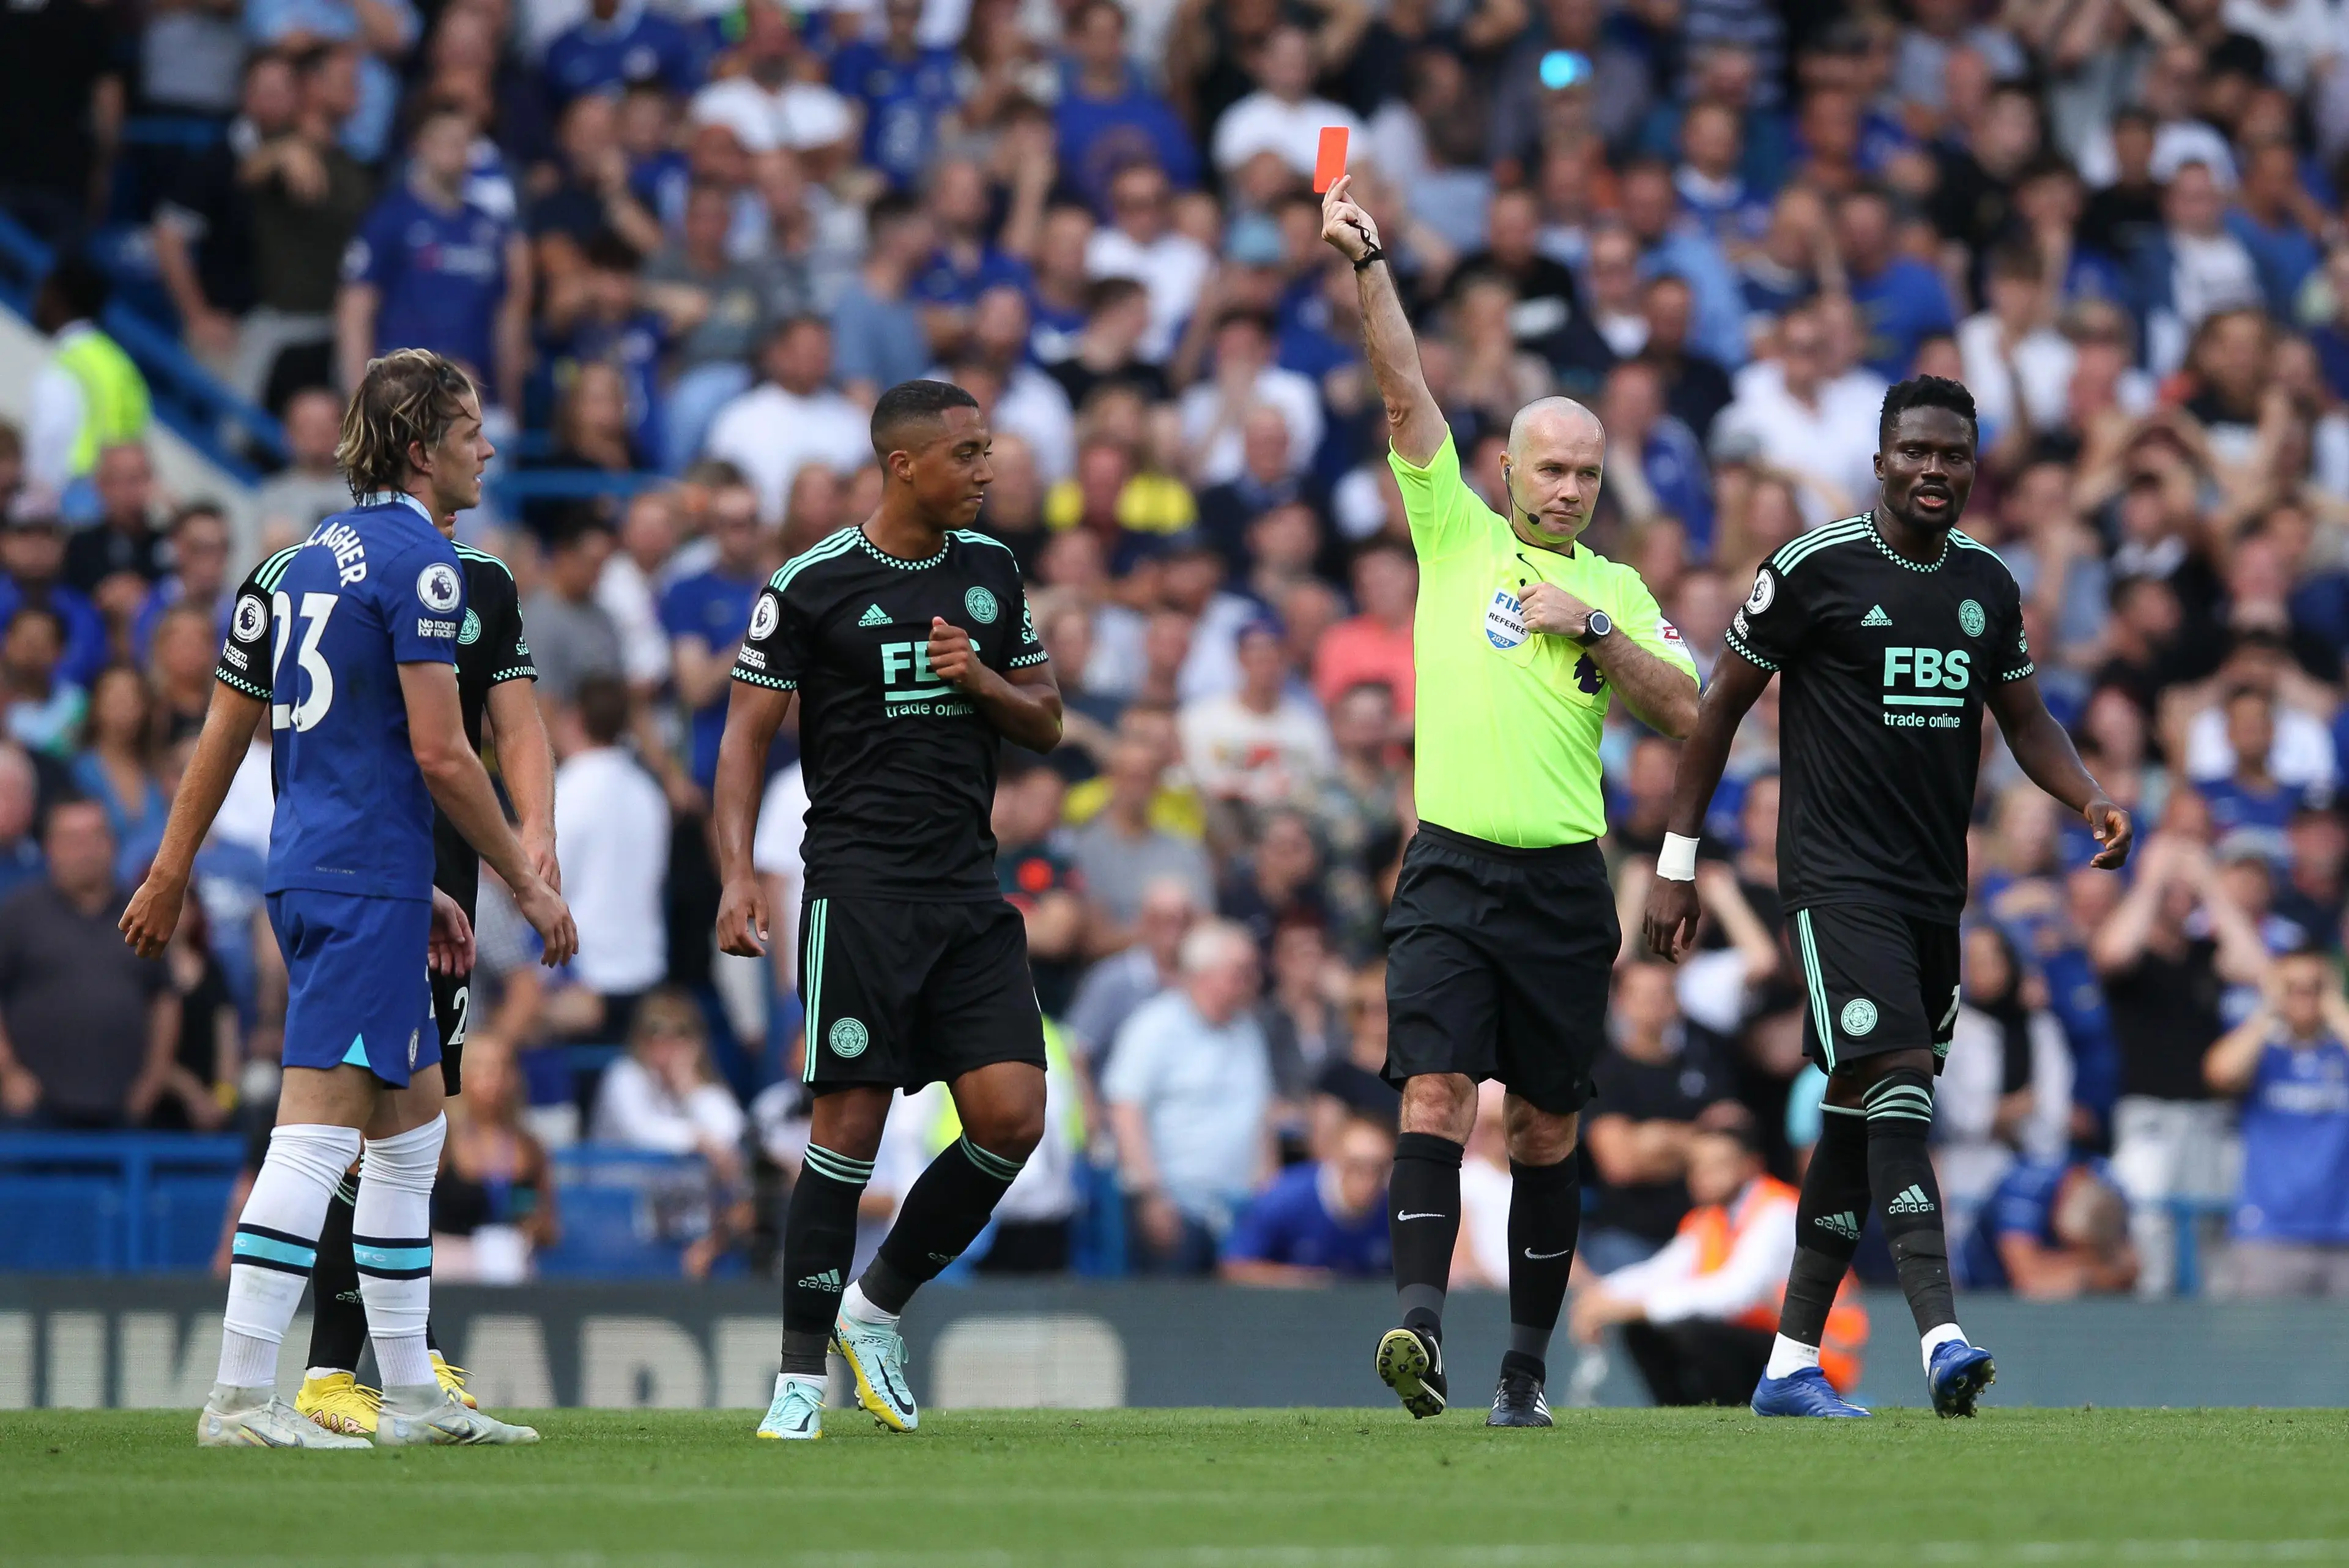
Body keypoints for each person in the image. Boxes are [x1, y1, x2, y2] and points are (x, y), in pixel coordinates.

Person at [1644, 373, 2133, 1419]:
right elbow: (1719, 706)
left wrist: (2089, 795)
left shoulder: (1989, 585)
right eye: (1915, 450)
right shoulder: (1814, 568)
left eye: (1953, 455)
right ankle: (1943, 1333)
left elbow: (2027, 717)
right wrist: (1678, 860)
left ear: (1971, 467)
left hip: (1931, 896)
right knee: (1903, 1080)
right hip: (1832, 884)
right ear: (1880, 459)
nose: (1933, 469)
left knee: (1860, 1122)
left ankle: (1787, 1364)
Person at [120, 349, 574, 1449]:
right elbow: (442, 750)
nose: (490, 450)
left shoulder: (292, 563)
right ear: (424, 448)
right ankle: (239, 1395)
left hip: (346, 865)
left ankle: (410, 1390)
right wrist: (524, 878)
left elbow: (270, 738)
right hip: (360, 874)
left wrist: (176, 869)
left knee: (412, 1129)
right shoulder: (426, 564)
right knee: (317, 1135)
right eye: (472, 433)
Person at [1319, 174, 1701, 1428]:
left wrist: (1590, 622)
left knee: (1542, 1127)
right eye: (1550, 467)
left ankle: (1523, 1376)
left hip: (1562, 882)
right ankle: (1420, 1330)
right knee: (1434, 1094)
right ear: (1507, 468)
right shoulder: (1457, 533)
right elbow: (1403, 388)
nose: (1568, 488)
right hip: (1450, 866)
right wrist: (1368, 265)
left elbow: (1689, 710)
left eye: (1587, 472)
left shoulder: (1622, 591)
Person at [711, 378, 1061, 1442]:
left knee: (1013, 1117)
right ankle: (797, 1375)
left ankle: (875, 1309)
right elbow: (740, 743)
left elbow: (1045, 719)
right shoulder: (812, 584)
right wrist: (736, 873)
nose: (988, 468)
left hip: (967, 891)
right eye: (966, 453)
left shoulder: (994, 573)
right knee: (847, 1130)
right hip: (858, 893)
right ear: (902, 464)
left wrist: (981, 684)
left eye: (989, 448)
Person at [1572, 1104, 1868, 1408]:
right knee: (1643, 1330)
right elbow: (1660, 1272)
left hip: (1816, 1359)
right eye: (1697, 1167)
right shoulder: (1711, 1218)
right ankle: (1681, 1415)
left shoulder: (1777, 1211)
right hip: (1766, 1345)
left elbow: (1737, 1293)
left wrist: (1635, 1307)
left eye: (1718, 1165)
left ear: (1750, 1165)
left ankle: (1735, 1411)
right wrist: (1599, 1298)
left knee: (1692, 1330)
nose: (1704, 1177)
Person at [1103, 920, 1275, 1273]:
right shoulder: (1154, 1026)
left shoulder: (1248, 1030)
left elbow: (1261, 1114)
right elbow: (1125, 1110)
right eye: (1242, 972)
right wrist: (1150, 1195)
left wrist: (1267, 1192)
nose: (1254, 981)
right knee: (1173, 1322)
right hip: (1174, 1210)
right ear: (1205, 974)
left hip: (1240, 1211)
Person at [0, 800, 180, 1129]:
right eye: (72, 839)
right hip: (33, 1110)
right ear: (49, 848)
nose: (86, 851)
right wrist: (7, 1073)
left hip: (125, 1109)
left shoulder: (141, 914)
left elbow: (165, 999)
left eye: (95, 836)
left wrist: (152, 1081)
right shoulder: (17, 916)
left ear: (113, 844)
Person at [2204, 948, 2349, 1296]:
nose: (2304, 997)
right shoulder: (2264, 1051)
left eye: (2314, 987)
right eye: (2292, 987)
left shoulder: (2340, 1051)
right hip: (2269, 1232)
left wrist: (2335, 1006)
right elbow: (2220, 1072)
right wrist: (2268, 1008)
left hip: (2341, 1233)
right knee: (2264, 1348)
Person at [1220, 1110, 1396, 1285]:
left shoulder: (1395, 1212)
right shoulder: (1285, 1198)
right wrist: (1303, 1281)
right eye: (1355, 1165)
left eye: (1379, 1168)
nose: (1368, 1178)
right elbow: (1235, 1265)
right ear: (1336, 1159)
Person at [1953, 1154, 2138, 1298]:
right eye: (2073, 1247)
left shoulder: (2109, 1184)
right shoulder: (2024, 1188)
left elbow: (2132, 1267)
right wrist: (2093, 1274)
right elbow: (2030, 1281)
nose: (2080, 1256)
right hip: (1981, 1293)